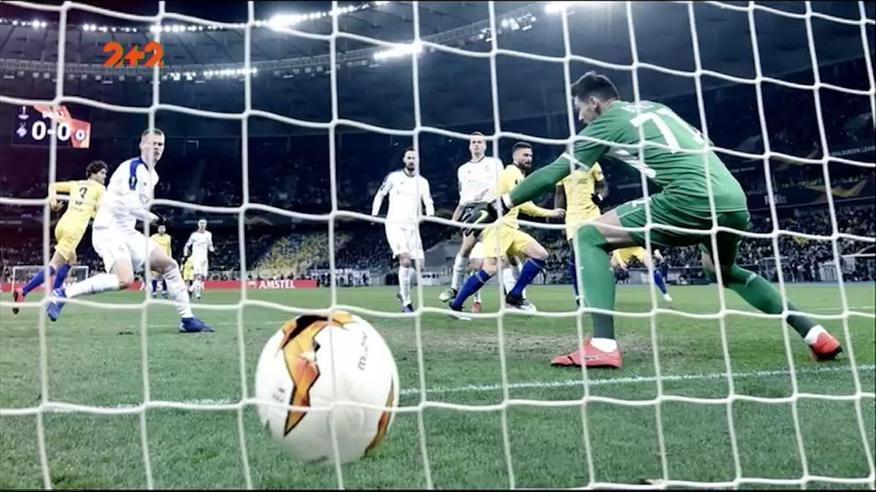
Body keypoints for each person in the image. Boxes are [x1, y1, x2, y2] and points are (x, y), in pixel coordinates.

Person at [463, 71, 841, 368]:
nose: (579, 116)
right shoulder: (657, 108)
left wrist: (498, 205)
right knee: (721, 271)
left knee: (589, 235)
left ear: (594, 102)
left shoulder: (606, 123)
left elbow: (551, 173)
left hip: (689, 197)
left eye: (580, 109)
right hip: (733, 198)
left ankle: (602, 345)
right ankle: (815, 334)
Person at [46, 128, 213, 333]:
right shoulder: (132, 168)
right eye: (152, 143)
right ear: (142, 145)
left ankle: (187, 320)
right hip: (109, 229)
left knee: (170, 266)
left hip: (127, 231)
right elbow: (131, 206)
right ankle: (62, 294)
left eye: (160, 144)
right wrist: (156, 218)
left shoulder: (153, 176)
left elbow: (137, 208)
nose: (157, 148)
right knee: (125, 280)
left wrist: (153, 215)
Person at [449, 142, 564, 314]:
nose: (529, 159)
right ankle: (456, 305)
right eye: (525, 155)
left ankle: (515, 296)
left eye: (530, 156)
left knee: (540, 254)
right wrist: (550, 212)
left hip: (509, 228)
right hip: (498, 227)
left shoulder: (518, 176)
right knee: (490, 268)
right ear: (515, 156)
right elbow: (523, 204)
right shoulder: (512, 173)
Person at [13, 160, 107, 314]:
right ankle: (23, 291)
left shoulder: (76, 184)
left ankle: (54, 297)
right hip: (74, 230)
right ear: (93, 174)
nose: (104, 176)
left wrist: (53, 202)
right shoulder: (101, 189)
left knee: (71, 260)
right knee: (54, 266)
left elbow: (53, 186)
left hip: (61, 226)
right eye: (102, 173)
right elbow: (100, 212)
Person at [439, 132, 503, 313]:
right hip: (471, 214)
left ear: (485, 145)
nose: (476, 145)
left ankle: (515, 296)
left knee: (505, 258)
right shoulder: (463, 169)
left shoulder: (495, 163)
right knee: (472, 259)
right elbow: (463, 199)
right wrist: (454, 220)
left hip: (492, 212)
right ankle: (457, 290)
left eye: (480, 142)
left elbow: (502, 186)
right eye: (473, 142)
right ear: (469, 146)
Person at [371, 146, 435, 312]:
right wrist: (374, 214)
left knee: (420, 268)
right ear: (404, 160)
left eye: (414, 158)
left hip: (413, 227)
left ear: (418, 161)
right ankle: (407, 303)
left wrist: (430, 215)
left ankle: (403, 291)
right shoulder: (394, 177)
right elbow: (380, 194)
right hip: (395, 225)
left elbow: (428, 201)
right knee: (405, 260)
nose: (411, 160)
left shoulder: (423, 182)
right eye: (409, 157)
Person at [555, 160, 607, 305]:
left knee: (594, 253)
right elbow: (559, 194)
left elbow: (603, 187)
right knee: (575, 254)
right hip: (572, 217)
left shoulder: (592, 163)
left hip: (592, 214)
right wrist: (556, 213)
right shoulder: (562, 166)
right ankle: (579, 295)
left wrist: (600, 197)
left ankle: (596, 290)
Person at [183, 219, 214, 300]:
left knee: (203, 277)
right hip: (196, 257)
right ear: (198, 224)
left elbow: (210, 244)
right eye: (201, 223)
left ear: (206, 225)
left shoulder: (209, 234)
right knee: (198, 276)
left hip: (205, 258)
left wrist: (213, 250)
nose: (202, 225)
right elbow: (187, 245)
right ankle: (197, 295)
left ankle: (190, 290)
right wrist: (185, 255)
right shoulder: (194, 235)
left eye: (204, 223)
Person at [149, 223, 172, 298]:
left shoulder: (168, 237)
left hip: (165, 259)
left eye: (163, 228)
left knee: (165, 276)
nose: (161, 230)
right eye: (160, 228)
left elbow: (169, 248)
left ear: (165, 229)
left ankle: (164, 292)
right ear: (158, 229)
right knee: (155, 276)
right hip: (156, 258)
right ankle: (154, 292)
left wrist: (170, 258)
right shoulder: (153, 237)